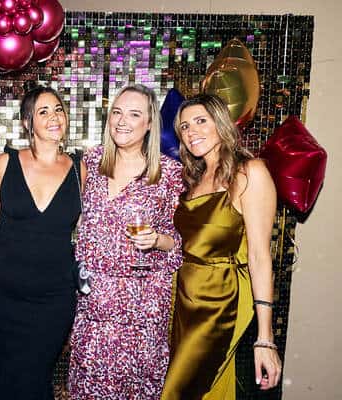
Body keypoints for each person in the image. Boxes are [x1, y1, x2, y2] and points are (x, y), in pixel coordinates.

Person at [160, 94, 282, 399]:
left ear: (221, 124)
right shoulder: (192, 180)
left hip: (221, 299)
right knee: (208, 389)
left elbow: (259, 257)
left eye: (201, 121)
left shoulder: (250, 172)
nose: (191, 131)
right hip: (184, 296)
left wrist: (265, 338)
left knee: (178, 391)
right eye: (184, 126)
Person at [68, 84, 184, 399]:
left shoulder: (170, 174)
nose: (122, 121)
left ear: (149, 123)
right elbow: (76, 219)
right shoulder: (91, 162)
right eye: (117, 112)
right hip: (93, 305)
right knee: (89, 387)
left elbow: (182, 244)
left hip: (141, 309)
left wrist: (157, 240)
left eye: (134, 114)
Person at [0, 86, 81, 400]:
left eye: (58, 109)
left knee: (36, 377)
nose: (54, 117)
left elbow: (88, 230)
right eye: (44, 111)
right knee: (3, 377)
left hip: (54, 297)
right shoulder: (5, 163)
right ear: (28, 122)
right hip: (4, 294)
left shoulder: (80, 170)